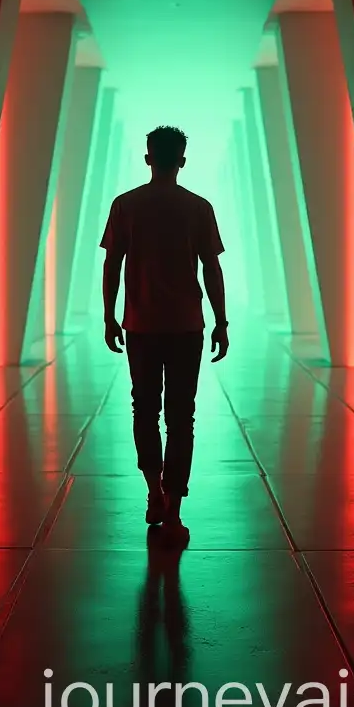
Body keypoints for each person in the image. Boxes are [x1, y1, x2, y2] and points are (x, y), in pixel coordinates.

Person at [100, 125, 229, 546]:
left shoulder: (125, 206)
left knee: (144, 409)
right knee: (181, 417)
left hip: (141, 325)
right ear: (183, 161)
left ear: (148, 157)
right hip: (186, 326)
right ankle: (173, 510)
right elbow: (211, 268)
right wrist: (221, 321)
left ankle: (153, 492)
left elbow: (112, 266)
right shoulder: (198, 208)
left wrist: (109, 316)